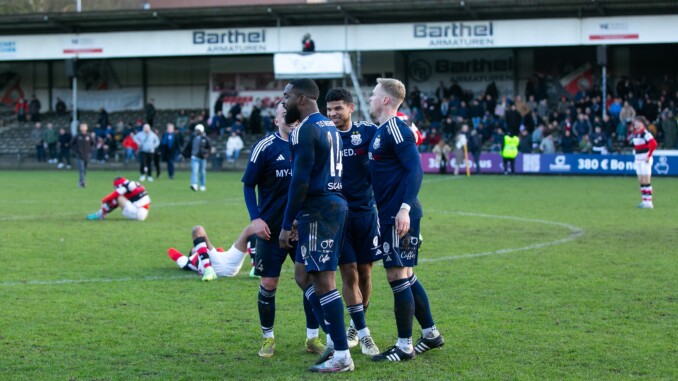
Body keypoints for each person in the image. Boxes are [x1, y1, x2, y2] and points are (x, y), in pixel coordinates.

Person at [278, 78, 353, 373]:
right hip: (330, 204)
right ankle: (336, 341)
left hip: (320, 209)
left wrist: (287, 222)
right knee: (302, 274)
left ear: (300, 98)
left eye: (286, 96)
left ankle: (341, 353)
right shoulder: (328, 126)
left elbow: (300, 181)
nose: (283, 102)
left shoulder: (304, 130)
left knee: (323, 281)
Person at [367, 78, 444, 362]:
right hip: (392, 212)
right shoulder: (383, 130)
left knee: (396, 275)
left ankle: (404, 346)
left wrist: (404, 208)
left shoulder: (396, 128)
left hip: (398, 215)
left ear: (386, 99)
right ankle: (431, 334)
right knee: (407, 275)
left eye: (374, 94)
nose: (371, 98)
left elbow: (416, 169)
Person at [242, 102, 325, 358]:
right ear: (276, 120)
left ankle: (313, 338)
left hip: (302, 228)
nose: (290, 118)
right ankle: (268, 338)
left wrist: (303, 220)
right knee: (268, 282)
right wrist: (255, 219)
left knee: (310, 281)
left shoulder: (307, 144)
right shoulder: (264, 147)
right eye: (284, 114)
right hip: (270, 230)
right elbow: (248, 185)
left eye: (293, 114)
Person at [325, 88, 381, 356]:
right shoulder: (324, 135)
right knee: (348, 273)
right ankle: (363, 333)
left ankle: (355, 324)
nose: (333, 113)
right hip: (338, 217)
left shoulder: (368, 132)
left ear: (350, 108)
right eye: (329, 109)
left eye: (338, 108)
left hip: (366, 214)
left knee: (366, 272)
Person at [167, 224, 255, 281]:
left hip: (228, 262)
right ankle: (208, 270)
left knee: (252, 228)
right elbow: (174, 253)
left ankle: (256, 268)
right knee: (197, 229)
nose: (195, 248)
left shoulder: (211, 252)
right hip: (217, 266)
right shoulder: (190, 260)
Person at [86, 176, 151, 221]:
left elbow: (114, 195)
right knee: (118, 198)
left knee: (117, 198)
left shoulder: (125, 185)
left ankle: (100, 215)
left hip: (138, 212)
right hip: (143, 213)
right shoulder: (132, 184)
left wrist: (104, 200)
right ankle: (101, 214)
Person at [629, 116, 657, 209]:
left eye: (637, 122)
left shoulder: (645, 133)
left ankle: (649, 202)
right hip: (638, 159)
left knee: (646, 180)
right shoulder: (635, 133)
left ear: (642, 123)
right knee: (641, 180)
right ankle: (644, 201)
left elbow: (653, 144)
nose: (635, 124)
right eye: (635, 122)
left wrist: (648, 156)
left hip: (645, 159)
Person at [185, 124, 211, 191]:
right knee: (194, 171)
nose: (196, 131)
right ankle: (194, 184)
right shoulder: (193, 137)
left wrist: (206, 154)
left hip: (202, 158)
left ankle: (202, 185)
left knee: (202, 172)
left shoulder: (205, 138)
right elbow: (188, 146)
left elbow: (209, 147)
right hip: (194, 157)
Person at [71, 123, 93, 188]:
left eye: (84, 127)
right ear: (80, 128)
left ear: (86, 128)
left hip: (86, 156)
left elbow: (92, 144)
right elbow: (72, 144)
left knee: (84, 170)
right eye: (82, 127)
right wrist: (76, 151)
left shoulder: (89, 136)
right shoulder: (77, 136)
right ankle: (82, 182)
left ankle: (82, 180)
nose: (83, 128)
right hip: (79, 156)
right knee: (81, 169)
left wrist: (89, 151)